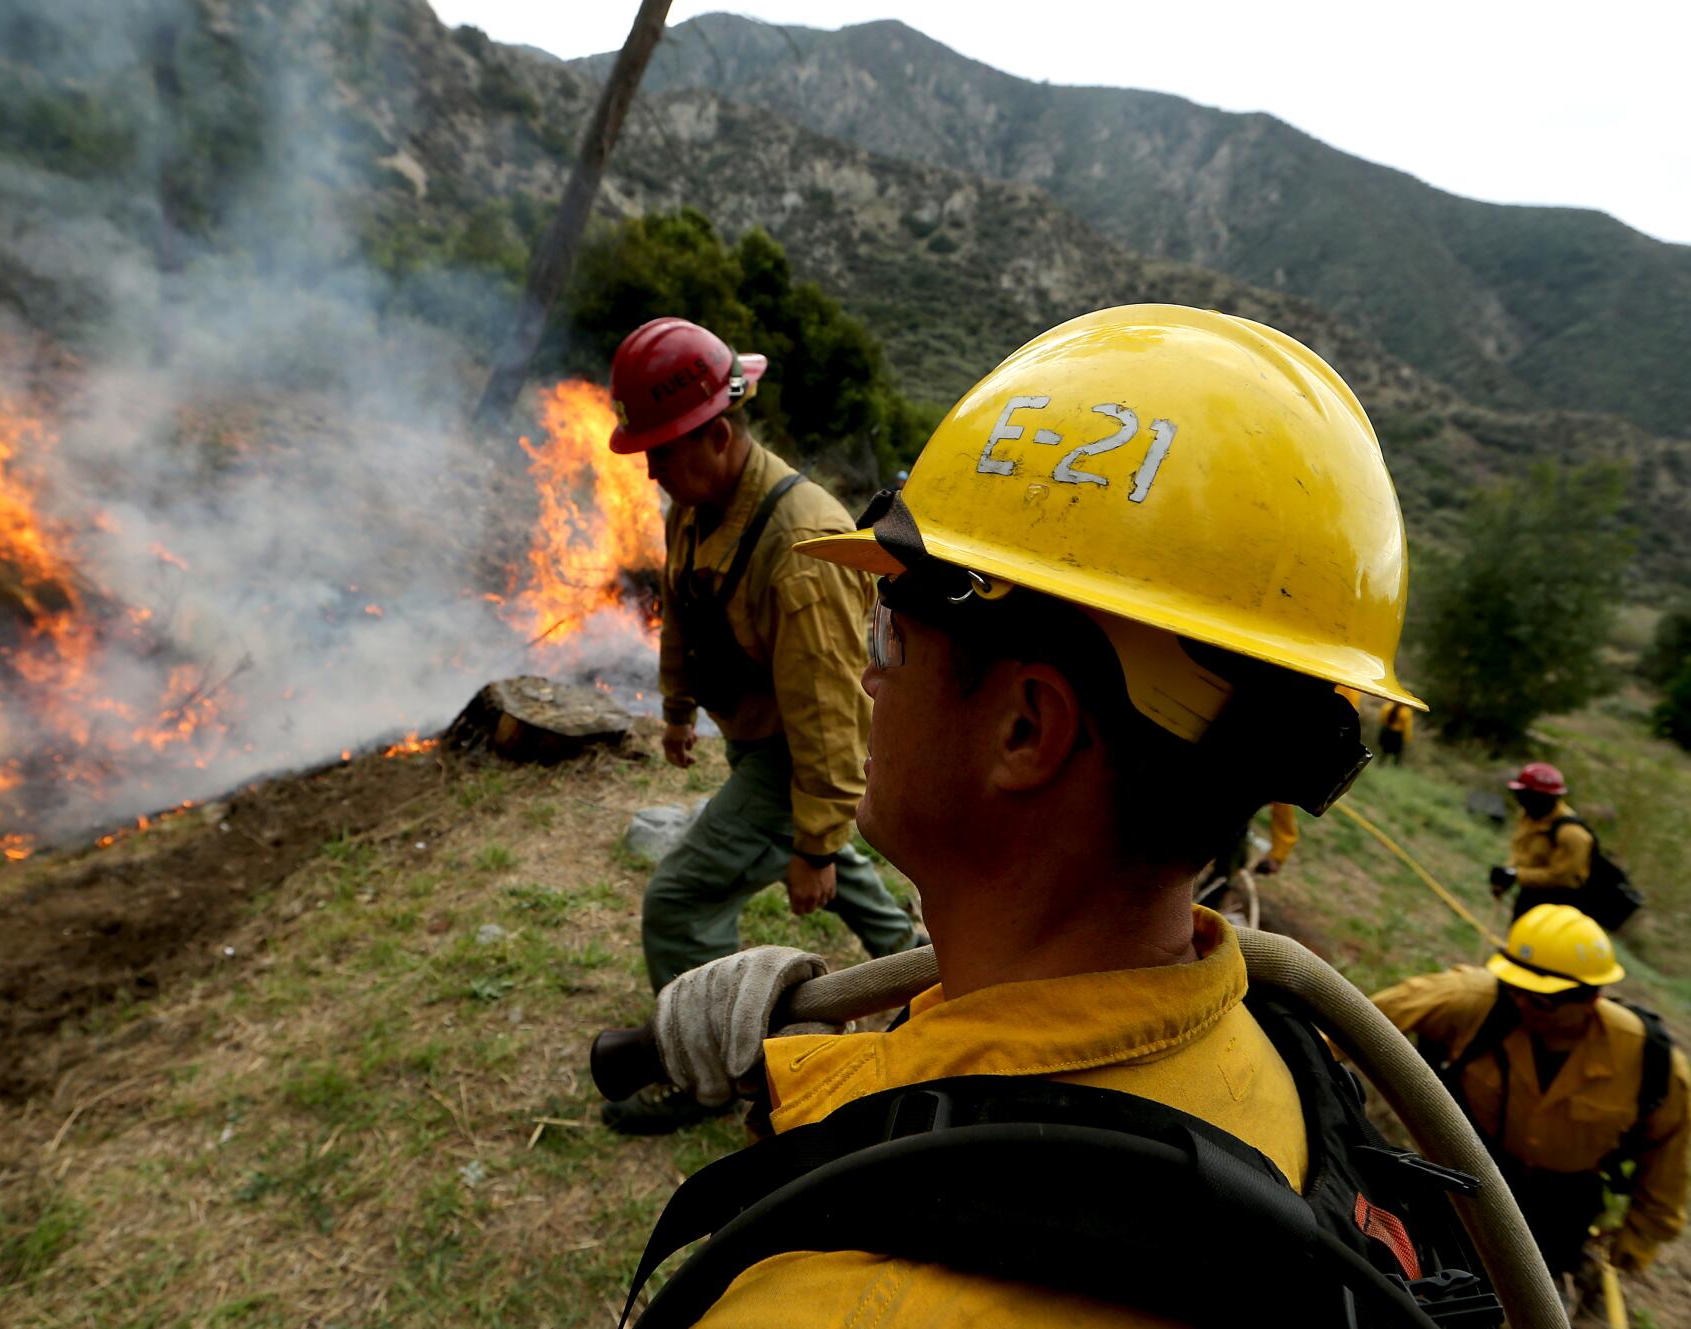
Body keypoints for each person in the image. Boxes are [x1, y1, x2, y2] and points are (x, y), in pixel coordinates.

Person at [625, 305, 1437, 1322]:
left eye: (886, 638)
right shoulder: (1270, 1046)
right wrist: (799, 1073)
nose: (867, 681)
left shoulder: (824, 1306)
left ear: (1023, 728)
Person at [601, 317, 919, 1134]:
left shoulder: (800, 544)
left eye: (664, 454)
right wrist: (676, 706)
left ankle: (709, 1070)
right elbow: (680, 611)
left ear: (722, 434)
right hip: (759, 739)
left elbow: (833, 714)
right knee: (827, 855)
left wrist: (812, 844)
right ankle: (916, 963)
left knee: (677, 901)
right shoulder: (697, 503)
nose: (654, 473)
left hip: (793, 756)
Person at [1372, 905, 1688, 1292]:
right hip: (1466, 1168)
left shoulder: (1650, 1062)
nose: (1521, 1003)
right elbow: (1347, 1020)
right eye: (1514, 988)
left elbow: (1668, 1168)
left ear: (1589, 998)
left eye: (1541, 1000)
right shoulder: (1472, 1001)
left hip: (1561, 1204)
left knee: (1522, 1294)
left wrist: (1636, 1241)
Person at [1489, 762, 1594, 919]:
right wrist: (1507, 874)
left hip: (1558, 908)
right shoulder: (1530, 815)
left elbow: (1563, 878)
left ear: (1542, 798)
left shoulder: (1572, 834)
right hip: (1530, 895)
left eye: (1525, 794)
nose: (1519, 799)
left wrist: (1517, 875)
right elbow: (1521, 850)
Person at [1379, 700, 1414, 764]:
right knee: (1395, 751)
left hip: (1389, 730)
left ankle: (1383, 762)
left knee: (1387, 749)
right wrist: (1406, 737)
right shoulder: (1406, 712)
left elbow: (1382, 719)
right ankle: (1393, 763)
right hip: (1396, 733)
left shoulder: (1387, 706)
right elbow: (1407, 726)